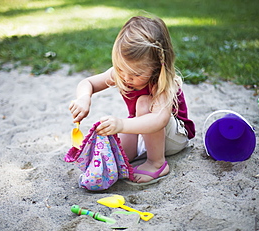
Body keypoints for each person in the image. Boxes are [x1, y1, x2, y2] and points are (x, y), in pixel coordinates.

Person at [69, 16, 195, 185]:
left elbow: (159, 120)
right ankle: (140, 157)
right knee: (116, 153)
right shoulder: (123, 73)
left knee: (143, 102)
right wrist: (84, 98)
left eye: (136, 74)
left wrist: (121, 125)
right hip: (146, 129)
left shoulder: (162, 82)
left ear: (157, 66)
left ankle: (156, 163)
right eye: (121, 69)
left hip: (174, 136)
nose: (127, 78)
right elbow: (88, 82)